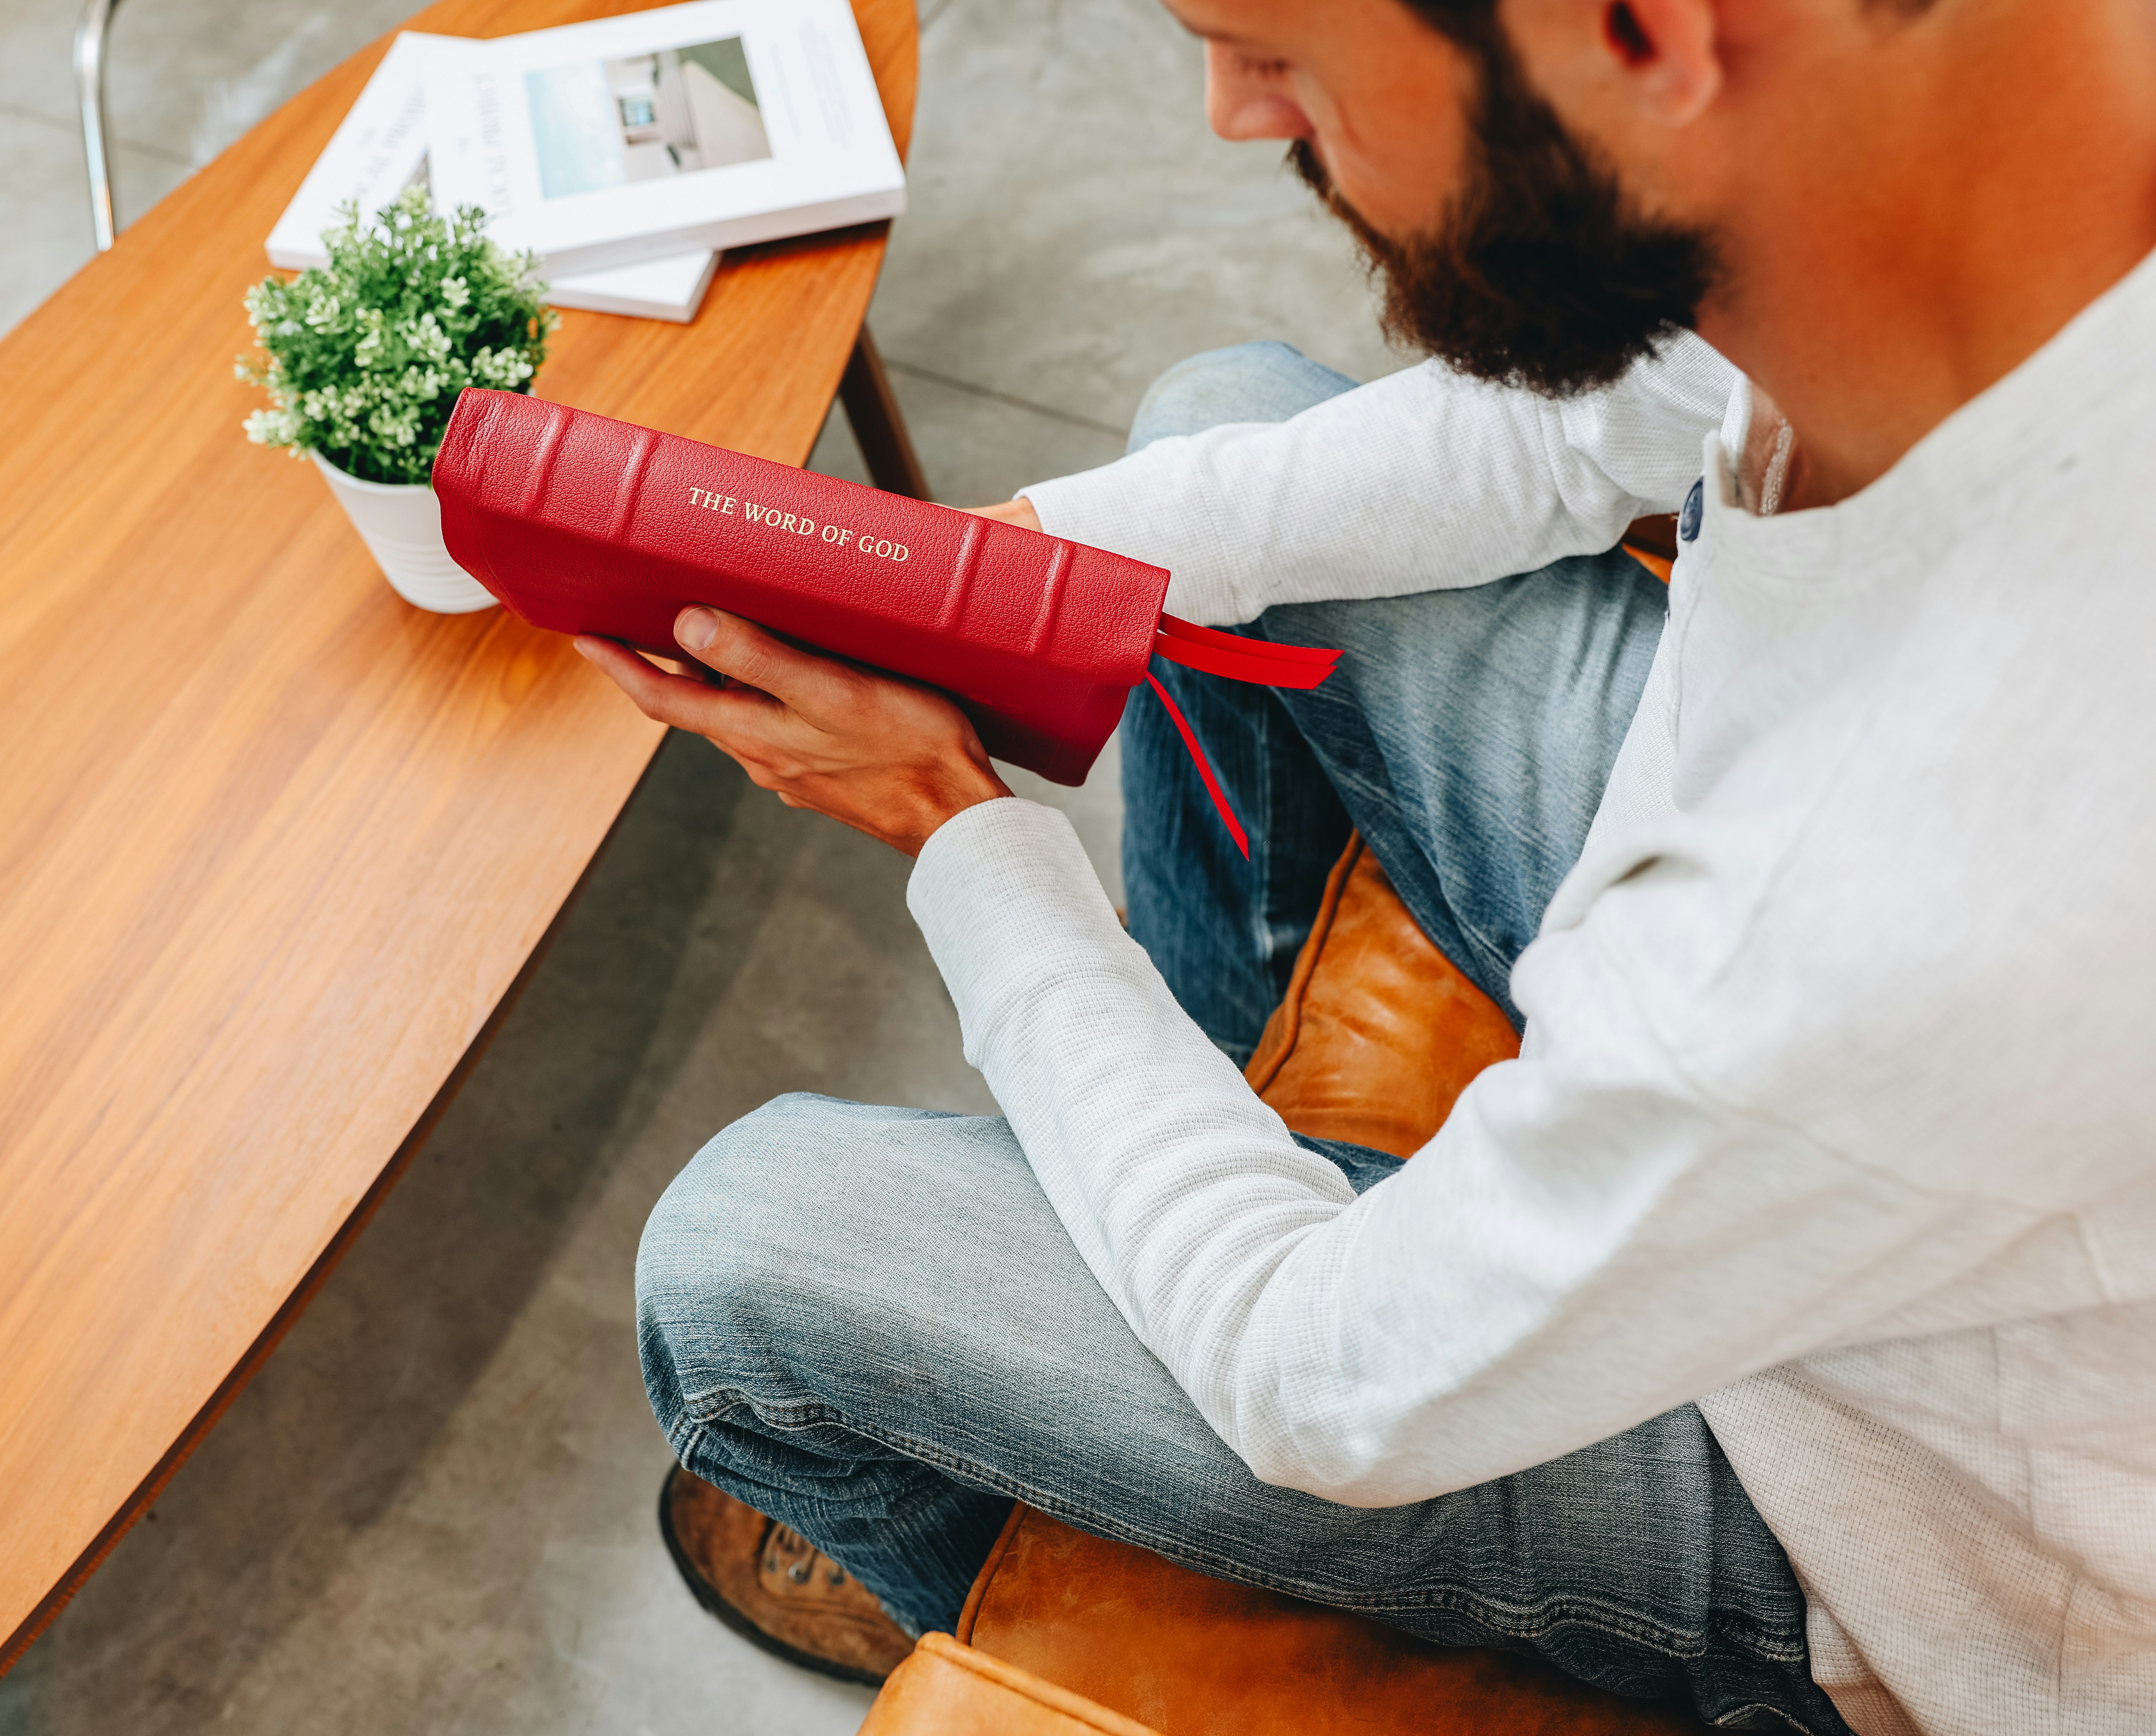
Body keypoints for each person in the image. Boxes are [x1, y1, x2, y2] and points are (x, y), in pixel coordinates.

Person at [577, 0, 2156, 1729]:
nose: (1233, 116)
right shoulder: (1955, 171)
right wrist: (1006, 570)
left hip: (1876, 1489)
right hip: (1863, 1051)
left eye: (1274, 48)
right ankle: (1185, 1150)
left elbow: (1307, 1374)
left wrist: (953, 825)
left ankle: (1062, 1525)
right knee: (1220, 437)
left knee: (745, 1260)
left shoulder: (1876, 902)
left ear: (1647, 33)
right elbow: (1581, 424)